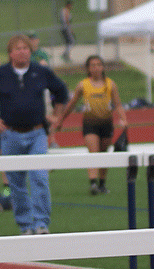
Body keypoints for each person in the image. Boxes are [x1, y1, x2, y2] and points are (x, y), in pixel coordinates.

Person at [0, 34, 69, 235]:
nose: (22, 51)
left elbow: (61, 91)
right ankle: (25, 225)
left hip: (37, 134)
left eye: (25, 48)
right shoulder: (0, 74)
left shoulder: (40, 71)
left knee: (40, 178)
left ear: (30, 51)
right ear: (10, 53)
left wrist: (57, 115)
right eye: (17, 48)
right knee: (16, 183)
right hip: (10, 135)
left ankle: (42, 223)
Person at [54, 55, 127, 195]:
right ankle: (93, 183)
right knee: (93, 153)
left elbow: (118, 104)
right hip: (90, 123)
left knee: (104, 154)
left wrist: (124, 119)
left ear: (103, 67)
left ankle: (102, 184)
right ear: (88, 68)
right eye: (93, 65)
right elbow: (72, 104)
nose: (96, 68)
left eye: (99, 64)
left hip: (106, 123)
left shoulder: (110, 84)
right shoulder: (83, 85)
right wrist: (61, 119)